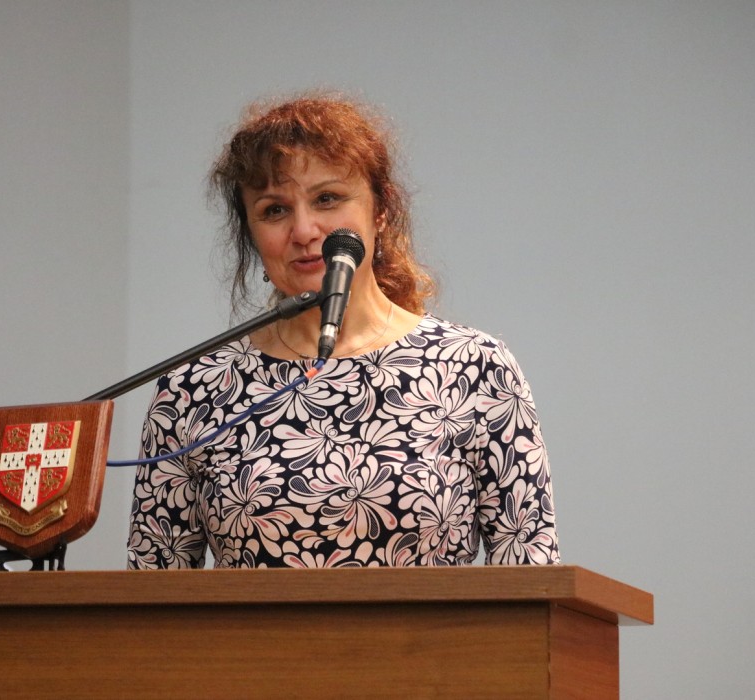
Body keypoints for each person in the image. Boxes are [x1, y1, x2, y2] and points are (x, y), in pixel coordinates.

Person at [127, 93, 559, 569]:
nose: (304, 231)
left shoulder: (475, 368)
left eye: (327, 199)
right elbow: (153, 591)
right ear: (252, 233)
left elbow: (530, 573)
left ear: (381, 209)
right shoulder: (192, 391)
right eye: (274, 210)